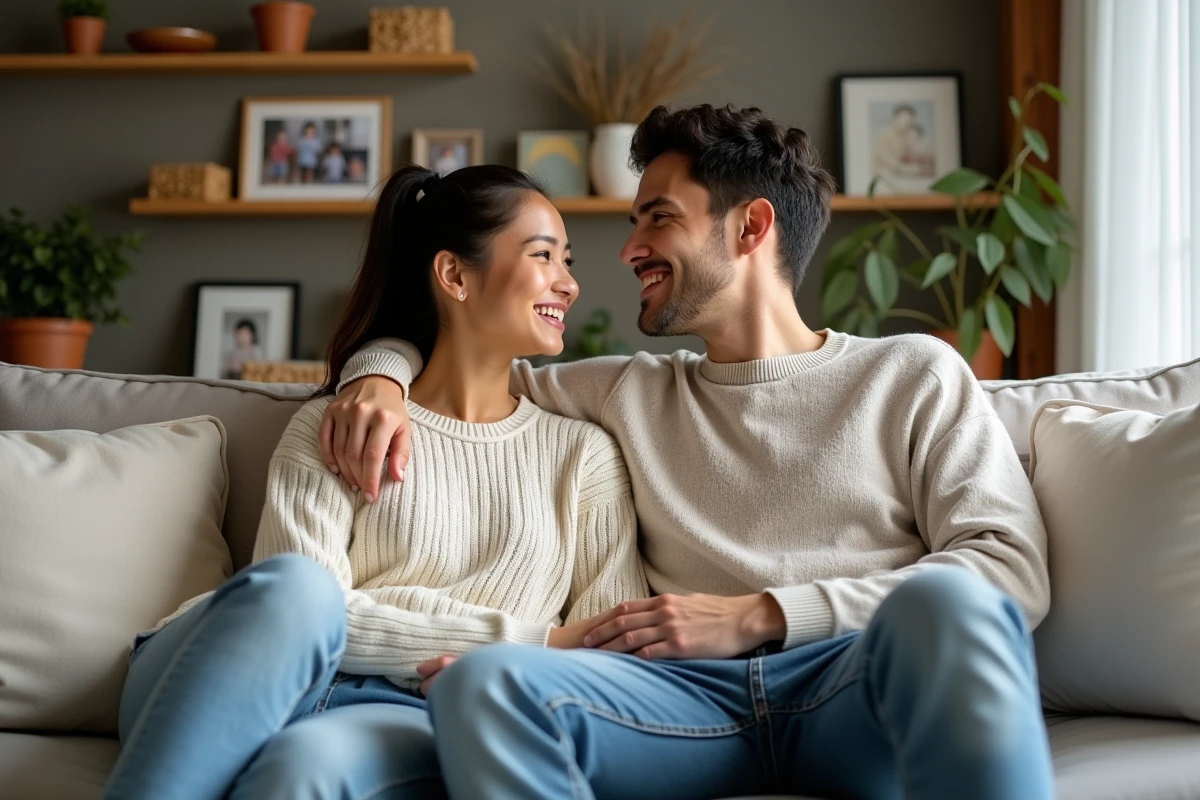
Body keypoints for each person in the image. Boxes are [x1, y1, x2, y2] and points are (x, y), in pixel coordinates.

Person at [320, 104, 1054, 800]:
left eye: (658, 219)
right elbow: (469, 358)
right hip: (680, 701)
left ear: (750, 227)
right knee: (483, 682)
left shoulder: (909, 373)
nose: (630, 248)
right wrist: (377, 374)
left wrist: (763, 614)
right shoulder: (627, 391)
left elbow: (1006, 570)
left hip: (851, 684)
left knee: (952, 600)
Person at [101, 164, 649, 800]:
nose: (570, 283)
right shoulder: (345, 423)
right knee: (299, 589)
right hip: (237, 673)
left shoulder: (583, 457)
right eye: (543, 256)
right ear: (454, 276)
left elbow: (604, 653)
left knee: (305, 769)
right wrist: (529, 639)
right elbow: (311, 619)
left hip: (406, 712)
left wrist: (486, 648)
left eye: (567, 260)